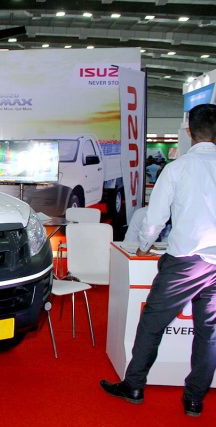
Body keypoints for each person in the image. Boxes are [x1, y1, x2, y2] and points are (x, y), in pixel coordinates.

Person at [100, 103, 216, 417]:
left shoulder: (178, 168)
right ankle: (194, 400)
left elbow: (155, 218)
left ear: (189, 132)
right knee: (209, 332)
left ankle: (134, 386)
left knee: (152, 323)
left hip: (185, 263)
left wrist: (143, 246)